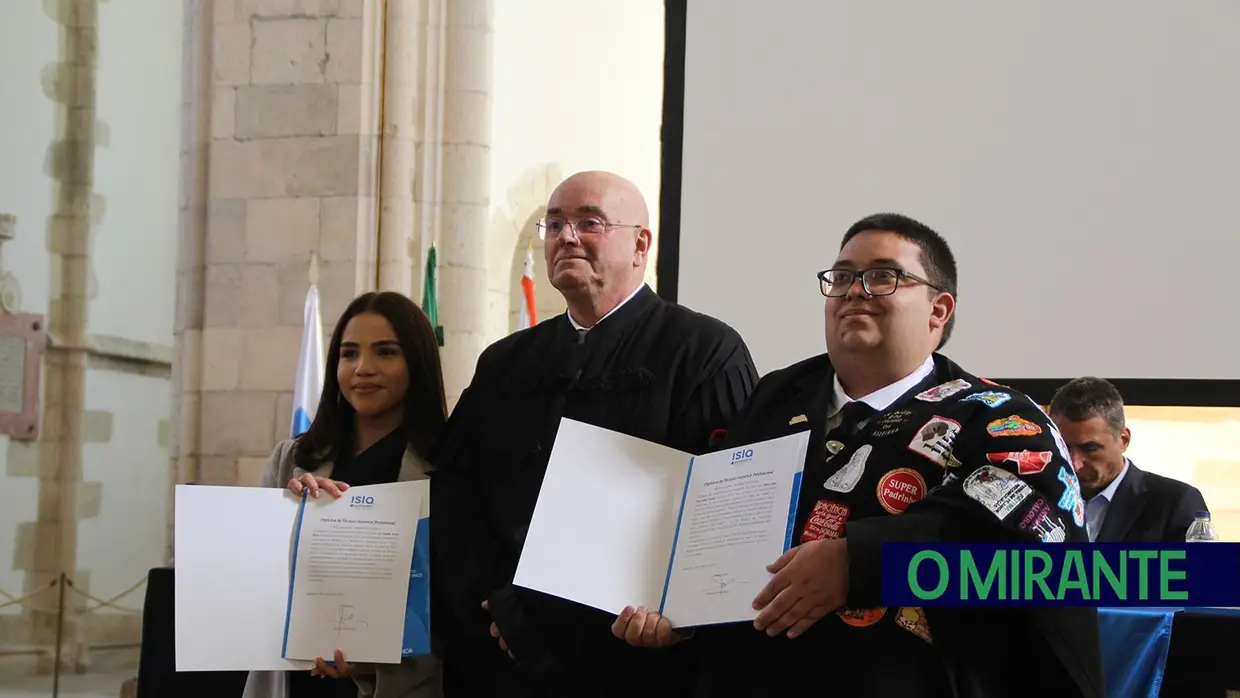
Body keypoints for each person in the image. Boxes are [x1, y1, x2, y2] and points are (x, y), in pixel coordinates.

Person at [616, 213, 1105, 697]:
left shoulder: (995, 416)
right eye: (843, 276)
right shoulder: (774, 400)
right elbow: (717, 527)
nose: (854, 290)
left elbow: (1029, 538)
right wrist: (681, 609)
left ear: (939, 310)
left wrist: (862, 561)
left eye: (882, 276)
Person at [429, 170, 758, 697]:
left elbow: (729, 506)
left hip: (636, 657)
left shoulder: (703, 353)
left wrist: (682, 614)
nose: (567, 236)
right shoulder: (505, 363)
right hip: (499, 655)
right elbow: (455, 498)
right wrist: (491, 608)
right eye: (554, 223)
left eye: (590, 222)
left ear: (640, 245)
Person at [242, 291, 448, 698]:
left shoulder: (447, 470)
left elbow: (454, 607)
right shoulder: (293, 459)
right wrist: (287, 515)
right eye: (349, 354)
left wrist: (383, 656)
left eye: (386, 352)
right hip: (297, 681)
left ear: (416, 364)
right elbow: (252, 575)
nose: (363, 369)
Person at [1049, 376, 1208, 542]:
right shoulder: (1038, 498)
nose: (1075, 464)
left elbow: (1200, 567)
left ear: (1123, 439)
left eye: (1091, 449)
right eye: (1063, 448)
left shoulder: (1174, 504)